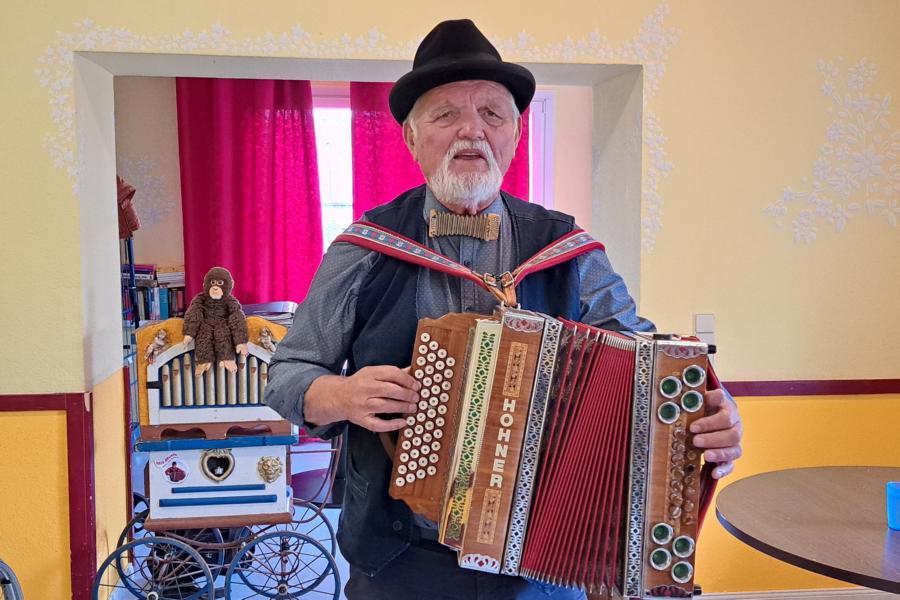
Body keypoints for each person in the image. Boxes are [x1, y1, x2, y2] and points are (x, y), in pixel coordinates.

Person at [265, 19, 743, 600]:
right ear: (411, 140)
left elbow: (648, 367)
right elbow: (287, 374)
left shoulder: (566, 249)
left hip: (544, 557)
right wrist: (338, 396)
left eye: (493, 114)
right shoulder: (362, 250)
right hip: (401, 560)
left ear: (515, 137)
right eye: (446, 115)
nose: (472, 131)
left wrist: (707, 417)